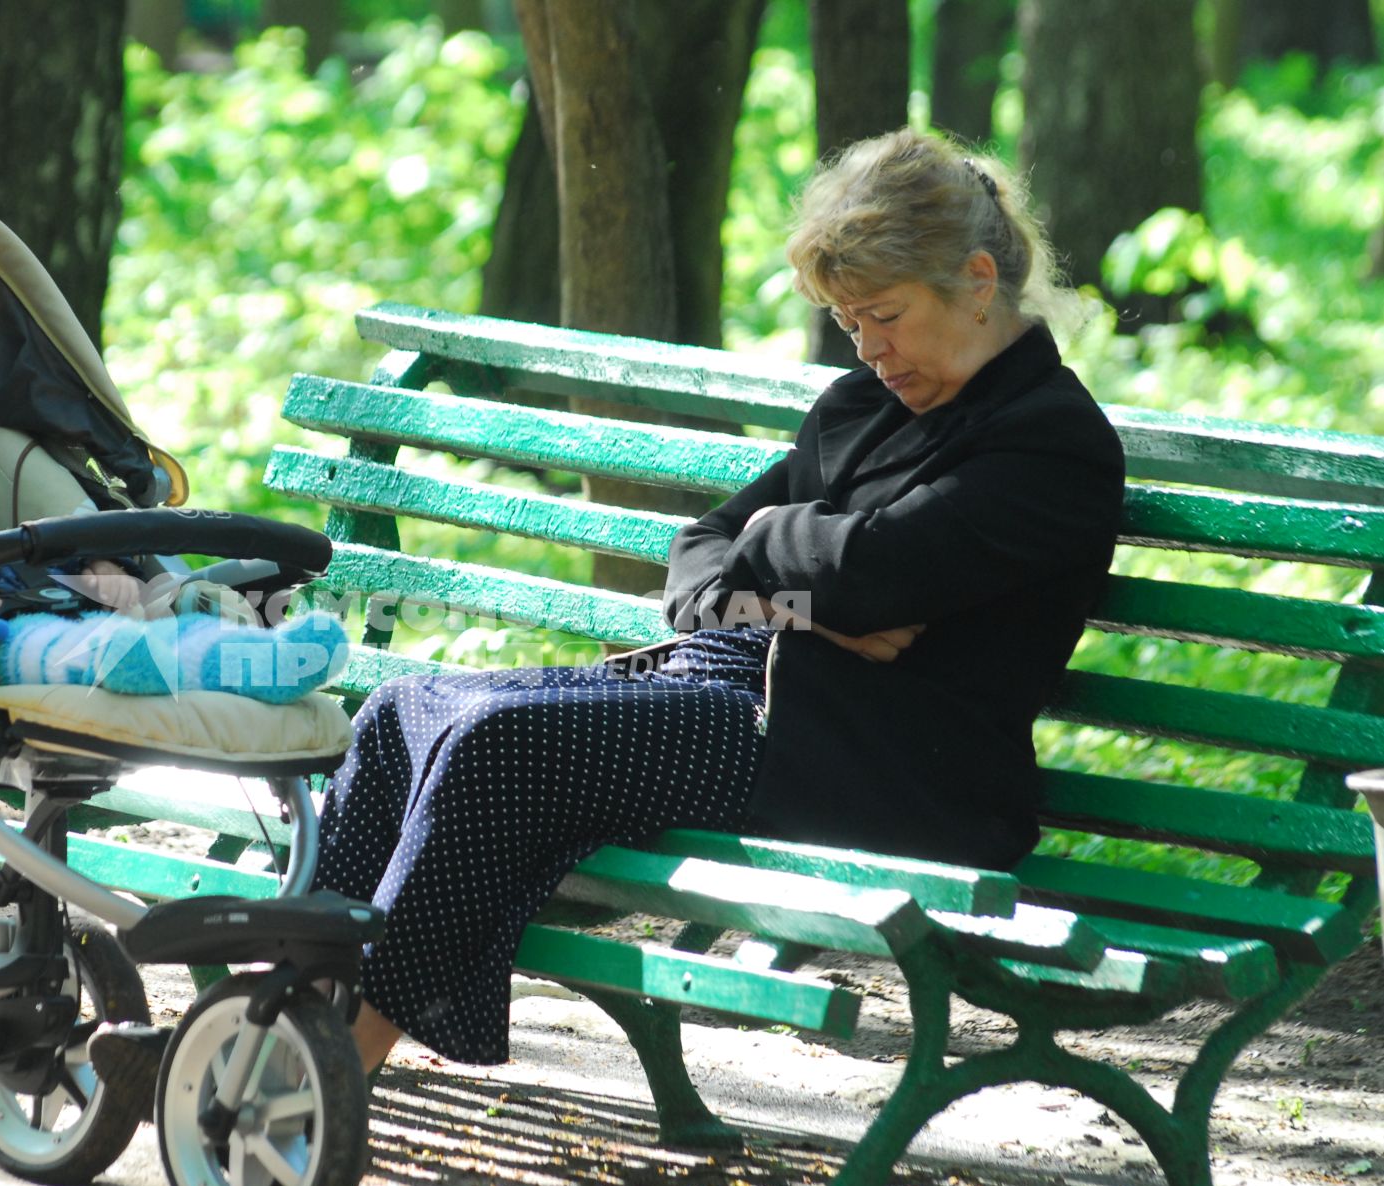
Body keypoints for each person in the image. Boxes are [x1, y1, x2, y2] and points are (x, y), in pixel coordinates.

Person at [314, 128, 1127, 1075]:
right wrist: (802, 602)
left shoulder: (1049, 445)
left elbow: (859, 568)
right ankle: (304, 1001)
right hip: (739, 700)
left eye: (884, 316)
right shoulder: (861, 408)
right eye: (848, 321)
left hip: (870, 766)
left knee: (499, 742)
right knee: (404, 708)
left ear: (977, 281)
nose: (867, 348)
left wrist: (774, 553)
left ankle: (339, 1063)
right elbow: (692, 569)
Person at [0, 439, 347, 704]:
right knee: (84, 646)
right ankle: (119, 656)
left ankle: (273, 662)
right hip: (0, 641)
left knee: (181, 630)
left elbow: (29, 554)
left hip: (76, 605)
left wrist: (96, 563)